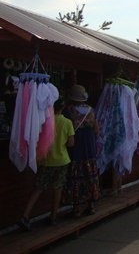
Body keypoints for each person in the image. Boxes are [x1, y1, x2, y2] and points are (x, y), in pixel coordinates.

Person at [17, 99, 75, 231]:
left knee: (38, 188)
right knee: (57, 188)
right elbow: (71, 143)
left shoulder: (44, 122)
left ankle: (25, 216)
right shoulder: (67, 122)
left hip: (45, 161)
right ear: (63, 107)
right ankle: (53, 217)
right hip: (61, 161)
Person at [64, 84, 100, 217]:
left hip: (76, 144)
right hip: (89, 144)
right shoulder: (92, 110)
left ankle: (77, 208)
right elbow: (97, 130)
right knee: (90, 175)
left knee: (75, 175)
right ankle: (90, 206)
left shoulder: (68, 111)